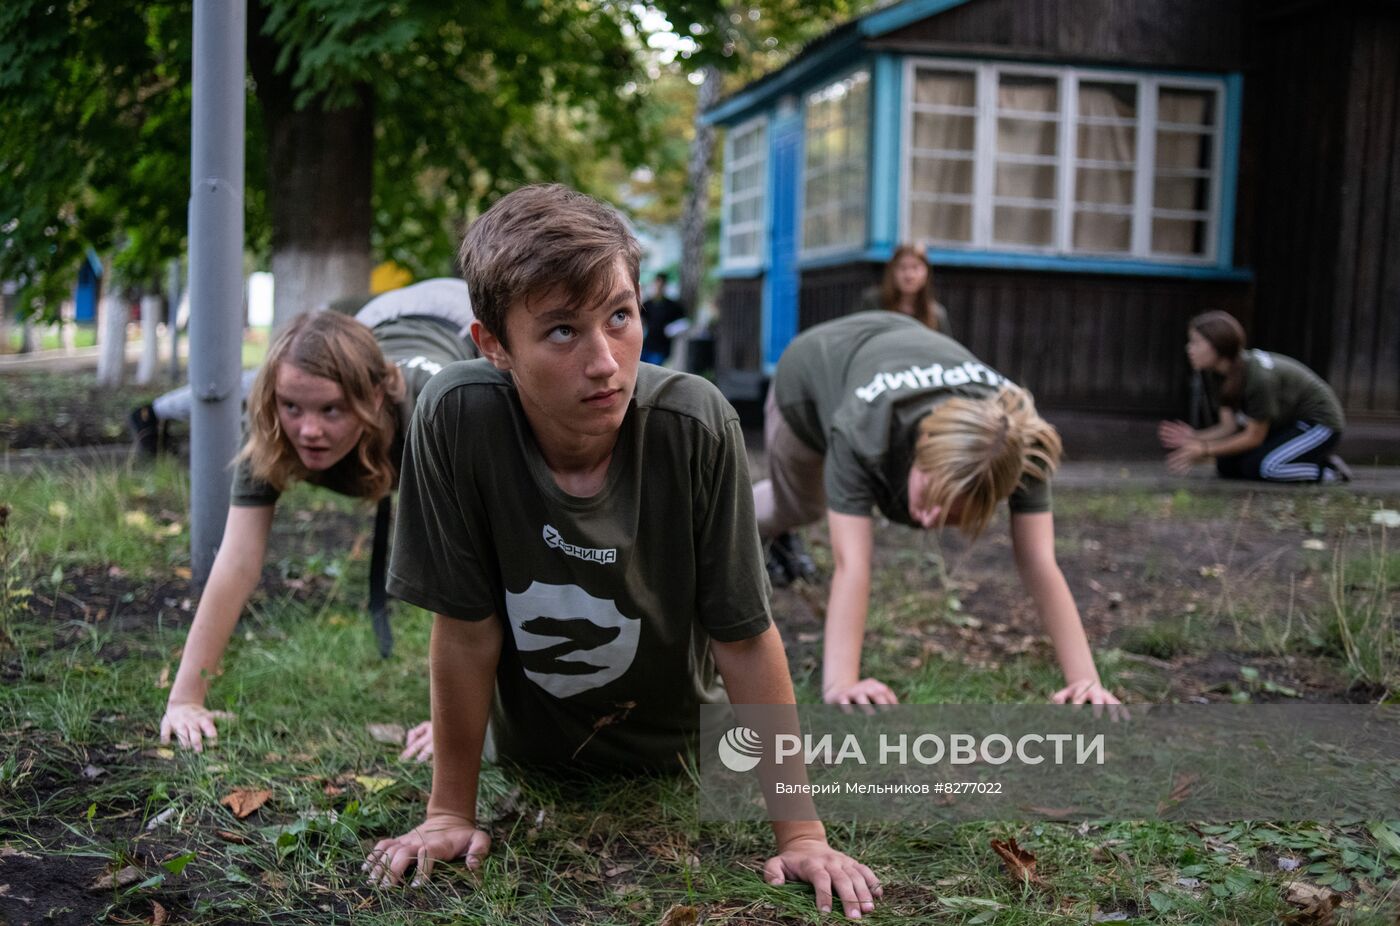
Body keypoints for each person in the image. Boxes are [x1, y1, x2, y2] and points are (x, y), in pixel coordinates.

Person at [362, 184, 882, 918]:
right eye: (562, 332)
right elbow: (466, 629)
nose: (605, 362)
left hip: (683, 751)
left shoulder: (695, 425)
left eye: (619, 317)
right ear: (494, 345)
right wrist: (449, 812)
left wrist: (801, 834)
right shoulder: (457, 417)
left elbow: (742, 635)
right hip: (529, 754)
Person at [157, 280, 477, 762]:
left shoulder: (441, 415)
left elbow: (478, 567)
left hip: (458, 314)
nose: (309, 430)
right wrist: (184, 699)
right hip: (383, 319)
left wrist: (464, 715)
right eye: (292, 407)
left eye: (331, 410)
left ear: (374, 399)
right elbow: (238, 560)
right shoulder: (271, 429)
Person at [753, 310, 1118, 709]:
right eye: (930, 498)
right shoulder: (864, 429)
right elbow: (851, 563)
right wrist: (841, 683)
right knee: (799, 507)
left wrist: (1085, 682)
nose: (927, 520)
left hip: (886, 351)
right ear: (920, 448)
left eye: (951, 515)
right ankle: (728, 516)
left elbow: (1038, 558)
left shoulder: (1019, 448)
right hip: (808, 374)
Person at [1158, 310, 1350, 482]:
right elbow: (1229, 426)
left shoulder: (1259, 378)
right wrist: (1195, 437)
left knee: (1267, 468)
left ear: (1217, 344)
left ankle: (1329, 472)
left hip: (1318, 424)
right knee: (1227, 465)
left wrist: (1205, 449)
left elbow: (1254, 437)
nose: (1189, 348)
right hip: (1286, 425)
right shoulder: (1218, 374)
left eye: (1196, 342)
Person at [856, 243, 951, 334]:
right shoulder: (873, 302)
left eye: (915, 267)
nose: (909, 275)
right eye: (902, 267)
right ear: (892, 271)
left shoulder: (936, 314)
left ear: (927, 273)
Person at [640, 271, 686, 365]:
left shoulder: (673, 306)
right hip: (647, 345)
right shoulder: (647, 304)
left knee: (653, 370)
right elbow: (641, 321)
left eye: (661, 284)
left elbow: (683, 322)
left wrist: (672, 329)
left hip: (662, 348)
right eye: (657, 284)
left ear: (665, 286)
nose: (658, 287)